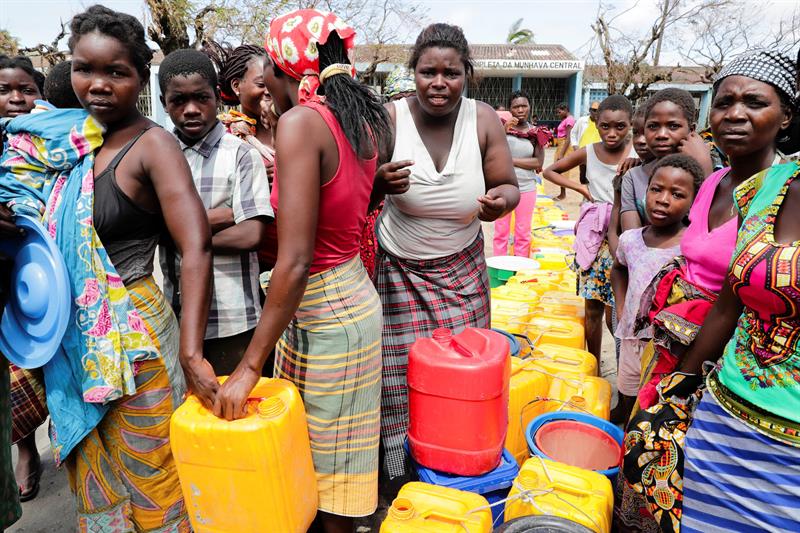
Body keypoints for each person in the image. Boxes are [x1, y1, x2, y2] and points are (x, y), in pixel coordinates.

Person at [0, 5, 216, 529]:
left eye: (115, 72)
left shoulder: (151, 145)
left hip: (133, 332)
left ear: (139, 76)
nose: (97, 85)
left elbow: (197, 245)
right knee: (95, 474)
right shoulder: (58, 142)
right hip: (68, 337)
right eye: (84, 69)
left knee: (153, 469)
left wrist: (191, 352)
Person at [211, 9, 392, 531]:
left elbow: (294, 259)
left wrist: (249, 366)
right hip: (349, 293)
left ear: (277, 65)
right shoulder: (359, 118)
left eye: (265, 65)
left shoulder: (301, 124)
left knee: (325, 467)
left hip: (322, 304)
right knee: (338, 456)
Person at [621, 50, 798, 533]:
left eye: (754, 102)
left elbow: (746, 295)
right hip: (676, 342)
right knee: (653, 459)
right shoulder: (715, 182)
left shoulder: (781, 192)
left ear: (786, 116)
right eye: (724, 103)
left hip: (731, 359)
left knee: (692, 484)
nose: (735, 114)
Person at [373, 22, 519, 482]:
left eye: (451, 73)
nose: (439, 83)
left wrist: (501, 204)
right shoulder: (391, 118)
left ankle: (460, 464)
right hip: (398, 269)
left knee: (465, 369)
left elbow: (509, 185)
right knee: (399, 378)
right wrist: (379, 181)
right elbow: (360, 181)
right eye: (428, 72)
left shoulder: (482, 120)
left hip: (462, 270)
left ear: (466, 75)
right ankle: (402, 471)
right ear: (412, 73)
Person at [157, 49, 273, 375]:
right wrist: (225, 214)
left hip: (234, 317)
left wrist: (180, 232)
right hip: (175, 313)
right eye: (178, 100)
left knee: (234, 413)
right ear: (165, 103)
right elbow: (152, 227)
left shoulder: (240, 155)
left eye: (201, 98)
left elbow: (251, 233)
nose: (191, 109)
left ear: (217, 98)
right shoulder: (159, 157)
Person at [611, 154, 703, 423]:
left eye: (677, 194)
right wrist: (620, 305)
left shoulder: (690, 247)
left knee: (654, 405)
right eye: (656, 189)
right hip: (631, 338)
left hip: (667, 347)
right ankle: (626, 432)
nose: (663, 199)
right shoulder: (631, 239)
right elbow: (618, 269)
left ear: (693, 204)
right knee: (628, 391)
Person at [542, 95, 634, 358]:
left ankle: (619, 364)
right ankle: (593, 365)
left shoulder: (638, 153)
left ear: (630, 125)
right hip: (594, 237)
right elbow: (550, 171)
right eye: (605, 126)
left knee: (614, 310)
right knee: (592, 308)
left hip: (625, 235)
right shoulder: (590, 151)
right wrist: (580, 188)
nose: (612, 133)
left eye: (620, 126)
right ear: (596, 122)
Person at [0, 54, 47, 503]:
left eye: (27, 89)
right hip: (9, 280)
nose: (16, 98)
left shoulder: (54, 138)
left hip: (54, 272)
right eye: (5, 90)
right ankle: (27, 448)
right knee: (19, 364)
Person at [205, 42, 278, 273]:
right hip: (245, 263)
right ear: (237, 86)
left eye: (273, 82)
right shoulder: (223, 138)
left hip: (292, 258)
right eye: (261, 84)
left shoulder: (293, 128)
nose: (269, 90)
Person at [619, 89, 713, 233]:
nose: (661, 135)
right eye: (653, 126)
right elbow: (630, 240)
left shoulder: (713, 168)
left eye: (673, 126)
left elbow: (713, 227)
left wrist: (705, 168)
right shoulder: (633, 176)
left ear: (691, 130)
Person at [493, 90, 543, 257]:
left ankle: (520, 273)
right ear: (510, 109)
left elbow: (538, 163)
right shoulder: (501, 128)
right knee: (501, 231)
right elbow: (492, 153)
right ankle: (498, 268)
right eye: (516, 107)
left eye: (524, 106)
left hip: (527, 187)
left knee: (523, 232)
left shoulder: (537, 133)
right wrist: (503, 131)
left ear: (530, 107)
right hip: (502, 186)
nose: (520, 110)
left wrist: (511, 160)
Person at [572, 100, 602, 184]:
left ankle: (592, 194)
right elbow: (573, 133)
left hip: (597, 154)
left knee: (595, 177)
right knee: (583, 177)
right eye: (594, 110)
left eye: (598, 110)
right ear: (590, 110)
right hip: (583, 153)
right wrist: (575, 146)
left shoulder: (602, 123)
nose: (596, 112)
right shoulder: (582, 121)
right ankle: (585, 194)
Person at [553, 102, 575, 200]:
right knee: (559, 169)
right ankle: (562, 193)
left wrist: (561, 153)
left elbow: (568, 138)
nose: (558, 114)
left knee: (562, 170)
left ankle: (563, 194)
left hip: (564, 145)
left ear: (566, 109)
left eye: (559, 112)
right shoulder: (565, 119)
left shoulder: (569, 120)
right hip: (561, 145)